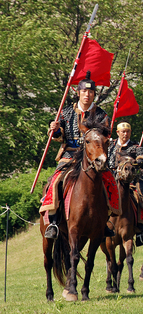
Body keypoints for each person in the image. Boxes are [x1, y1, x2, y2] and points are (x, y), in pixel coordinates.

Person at [41, 71, 117, 240]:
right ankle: (53, 221)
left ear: (94, 94)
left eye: (91, 92)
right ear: (78, 92)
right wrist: (55, 129)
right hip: (70, 155)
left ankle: (104, 221)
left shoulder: (102, 115)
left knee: (110, 181)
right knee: (55, 182)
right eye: (84, 91)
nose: (87, 95)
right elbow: (59, 135)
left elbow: (106, 134)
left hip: (92, 158)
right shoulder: (66, 112)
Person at [108, 122, 143, 246]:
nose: (125, 134)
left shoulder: (136, 146)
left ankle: (141, 230)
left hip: (132, 180)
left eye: (128, 131)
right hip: (112, 179)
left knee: (142, 198)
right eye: (123, 131)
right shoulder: (110, 146)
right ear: (117, 132)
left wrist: (139, 162)